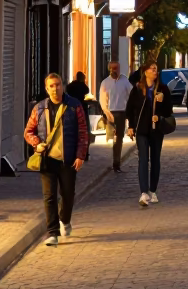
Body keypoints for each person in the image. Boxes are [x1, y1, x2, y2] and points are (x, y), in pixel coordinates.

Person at [23, 73, 89, 246]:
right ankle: (52, 232)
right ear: (46, 89)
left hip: (68, 159)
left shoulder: (74, 106)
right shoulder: (39, 109)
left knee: (67, 195)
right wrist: (37, 144)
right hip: (48, 159)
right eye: (51, 86)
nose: (55, 88)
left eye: (58, 84)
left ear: (63, 85)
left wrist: (80, 155)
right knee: (49, 196)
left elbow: (83, 132)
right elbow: (28, 132)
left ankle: (65, 220)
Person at [126, 63, 173, 207]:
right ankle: (143, 192)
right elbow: (130, 108)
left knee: (155, 160)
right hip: (142, 129)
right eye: (152, 69)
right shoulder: (138, 89)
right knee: (143, 159)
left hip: (157, 130)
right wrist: (131, 126)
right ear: (145, 72)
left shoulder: (163, 89)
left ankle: (153, 190)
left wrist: (161, 108)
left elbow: (169, 109)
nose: (155, 71)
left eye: (156, 69)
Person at [98, 60, 133, 173]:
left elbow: (132, 94)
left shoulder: (125, 81)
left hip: (122, 112)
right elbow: (103, 100)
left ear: (119, 68)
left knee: (119, 139)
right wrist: (107, 113)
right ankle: (112, 161)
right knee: (111, 139)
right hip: (110, 113)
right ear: (109, 69)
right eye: (112, 68)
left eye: (116, 68)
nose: (114, 70)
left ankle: (116, 163)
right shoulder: (105, 83)